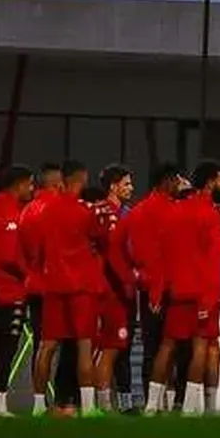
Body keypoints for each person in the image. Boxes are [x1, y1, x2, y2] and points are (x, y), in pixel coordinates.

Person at [36, 159, 109, 417]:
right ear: (81, 179)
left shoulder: (45, 209)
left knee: (47, 346)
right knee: (84, 345)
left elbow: (35, 245)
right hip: (81, 287)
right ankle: (88, 407)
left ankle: (38, 406)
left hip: (54, 285)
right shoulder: (84, 211)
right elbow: (101, 238)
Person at [154, 161, 220, 416]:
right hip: (201, 292)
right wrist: (208, 300)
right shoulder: (211, 215)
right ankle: (191, 407)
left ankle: (153, 405)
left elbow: (161, 255)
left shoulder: (173, 212)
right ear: (209, 182)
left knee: (167, 346)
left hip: (176, 291)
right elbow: (215, 260)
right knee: (201, 347)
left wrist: (158, 289)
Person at [121, 163, 184, 413]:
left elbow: (119, 247)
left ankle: (151, 401)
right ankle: (176, 401)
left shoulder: (136, 211)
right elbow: (172, 253)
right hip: (170, 287)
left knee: (151, 346)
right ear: (167, 181)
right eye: (177, 181)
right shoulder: (174, 211)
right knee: (176, 345)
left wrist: (130, 276)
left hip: (146, 287)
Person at [0, 165, 34, 417]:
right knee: (6, 347)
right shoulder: (7, 210)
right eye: (29, 184)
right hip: (7, 290)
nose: (31, 190)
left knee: (1, 347)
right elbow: (9, 255)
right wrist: (31, 274)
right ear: (19, 184)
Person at [16, 160, 63, 412]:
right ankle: (64, 401)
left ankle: (38, 403)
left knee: (41, 344)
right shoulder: (56, 209)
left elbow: (22, 251)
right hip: (54, 286)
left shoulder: (27, 210)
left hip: (33, 284)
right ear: (58, 183)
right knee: (54, 345)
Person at [93, 165, 136, 415]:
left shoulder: (126, 213)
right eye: (127, 183)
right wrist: (130, 280)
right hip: (110, 291)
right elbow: (112, 256)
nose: (131, 188)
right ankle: (103, 404)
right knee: (109, 348)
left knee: (121, 347)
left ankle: (119, 403)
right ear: (113, 186)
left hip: (122, 291)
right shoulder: (104, 213)